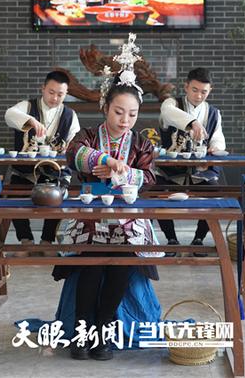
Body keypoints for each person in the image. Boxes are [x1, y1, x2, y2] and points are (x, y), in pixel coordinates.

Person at [54, 33, 162, 361]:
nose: (125, 120)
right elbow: (74, 154)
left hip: (127, 217)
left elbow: (149, 178)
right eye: (118, 112)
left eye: (132, 114)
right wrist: (104, 160)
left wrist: (125, 173)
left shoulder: (141, 143)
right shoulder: (88, 135)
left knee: (121, 264)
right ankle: (82, 333)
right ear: (104, 107)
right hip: (90, 214)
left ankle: (103, 331)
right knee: (90, 264)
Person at [4, 70, 80, 251]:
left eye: (60, 94)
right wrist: (30, 120)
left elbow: (74, 143)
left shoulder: (70, 115)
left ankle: (47, 240)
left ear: (66, 94)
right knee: (13, 197)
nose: (55, 98)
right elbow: (9, 115)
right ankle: (26, 240)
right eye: (51, 92)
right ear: (43, 89)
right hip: (25, 171)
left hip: (55, 171)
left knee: (58, 195)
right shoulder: (27, 106)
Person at [156, 67, 225, 256]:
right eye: (195, 90)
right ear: (186, 87)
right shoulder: (171, 104)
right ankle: (171, 239)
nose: (199, 96)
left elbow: (218, 138)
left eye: (204, 91)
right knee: (156, 192)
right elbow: (167, 112)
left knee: (216, 193)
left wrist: (215, 148)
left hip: (200, 170)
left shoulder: (213, 112)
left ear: (210, 90)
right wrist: (193, 122)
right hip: (170, 170)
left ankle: (199, 239)